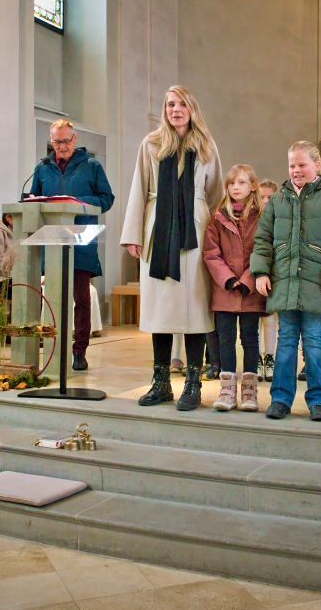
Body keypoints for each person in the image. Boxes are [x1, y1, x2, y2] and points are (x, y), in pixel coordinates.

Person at [120, 85, 224, 411]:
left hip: (194, 230)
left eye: (181, 104)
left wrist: (207, 225)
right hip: (159, 230)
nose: (175, 110)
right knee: (161, 309)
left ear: (191, 109)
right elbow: (139, 188)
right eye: (169, 104)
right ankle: (161, 382)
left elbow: (216, 193)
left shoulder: (206, 146)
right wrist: (134, 234)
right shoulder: (151, 144)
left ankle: (193, 383)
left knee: (195, 308)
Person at [251, 141, 321, 422]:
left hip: (316, 283)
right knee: (285, 341)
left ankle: (319, 400)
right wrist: (261, 272)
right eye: (292, 165)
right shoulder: (278, 201)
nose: (296, 170)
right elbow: (263, 240)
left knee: (314, 342)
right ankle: (281, 399)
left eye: (302, 164)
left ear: (317, 165)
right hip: (285, 282)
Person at [30, 119, 114, 371]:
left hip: (81, 240)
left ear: (75, 139)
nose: (62, 146)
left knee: (81, 298)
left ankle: (79, 351)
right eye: (57, 142)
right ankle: (54, 348)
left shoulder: (92, 166)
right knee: (53, 299)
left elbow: (106, 199)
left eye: (66, 141)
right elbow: (33, 200)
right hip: (52, 241)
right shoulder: (42, 168)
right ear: (51, 140)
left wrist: (76, 201)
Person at [203, 164, 265, 411]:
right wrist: (228, 279)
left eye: (241, 182)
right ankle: (227, 390)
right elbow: (211, 252)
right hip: (225, 290)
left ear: (253, 186)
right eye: (231, 183)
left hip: (251, 291)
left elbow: (263, 251)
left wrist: (248, 281)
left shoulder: (262, 217)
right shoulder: (217, 217)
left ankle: (249, 391)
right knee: (225, 339)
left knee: (250, 338)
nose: (235, 187)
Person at [258, 179, 279, 382]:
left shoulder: (279, 218)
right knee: (254, 318)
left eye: (270, 197)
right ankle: (257, 357)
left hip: (274, 275)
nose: (265, 201)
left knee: (270, 317)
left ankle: (270, 356)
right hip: (255, 274)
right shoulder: (251, 218)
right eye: (262, 197)